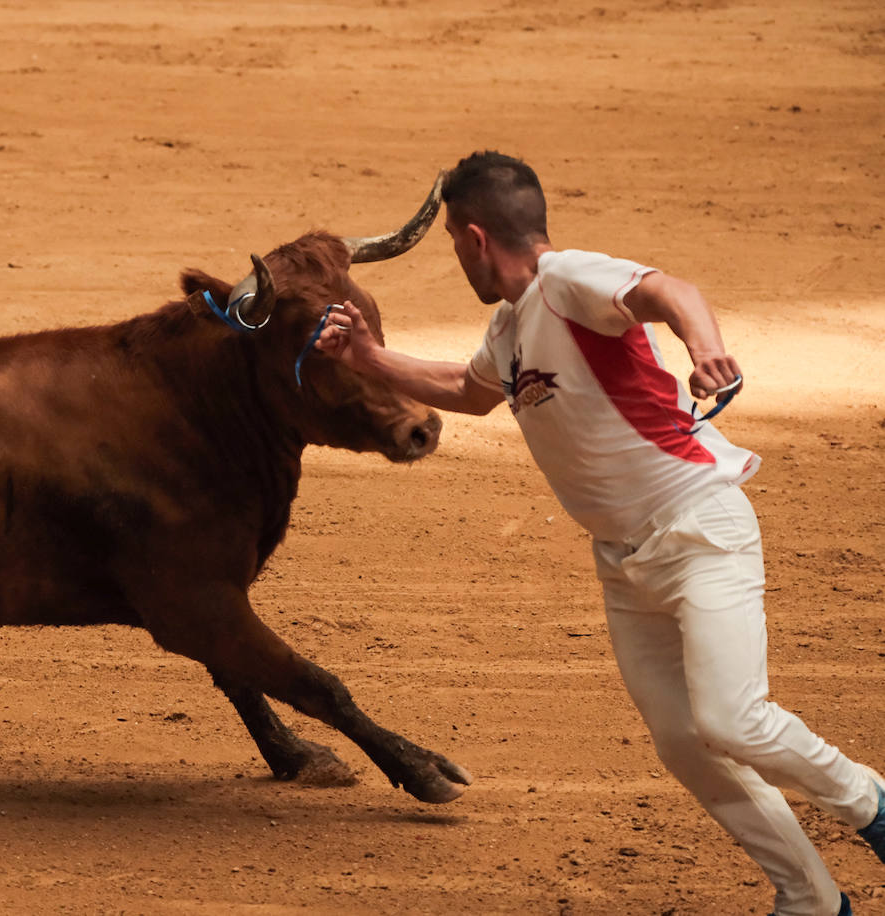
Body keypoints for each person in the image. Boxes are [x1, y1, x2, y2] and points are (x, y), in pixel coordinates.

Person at [314, 150, 885, 916]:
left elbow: (670, 292)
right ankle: (810, 899)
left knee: (733, 719)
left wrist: (705, 348)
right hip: (624, 561)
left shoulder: (567, 279)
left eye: (453, 240)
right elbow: (465, 389)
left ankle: (871, 804)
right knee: (684, 743)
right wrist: (367, 356)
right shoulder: (510, 327)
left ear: (476, 238)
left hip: (697, 525)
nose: (455, 255)